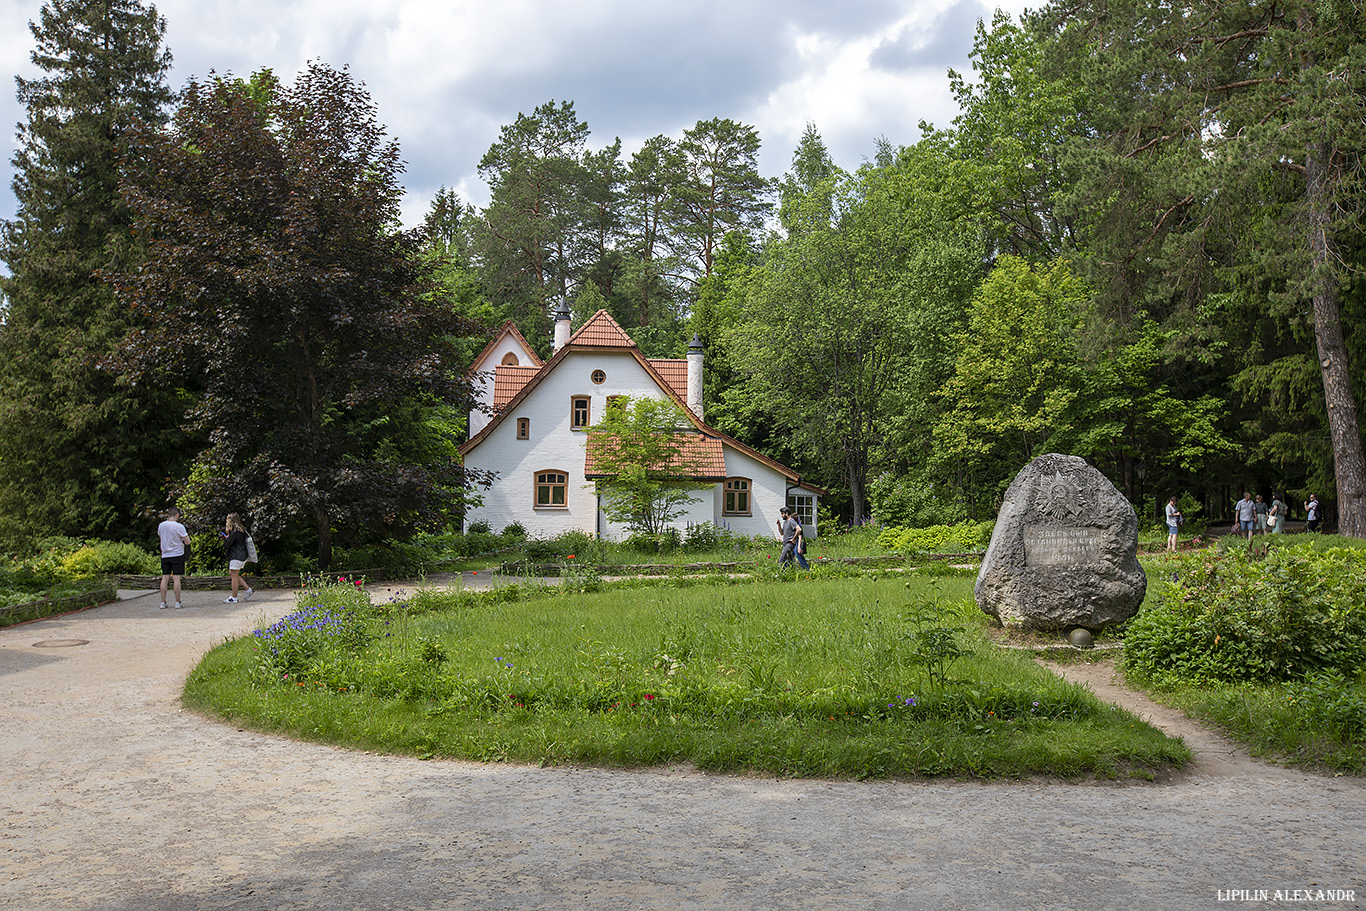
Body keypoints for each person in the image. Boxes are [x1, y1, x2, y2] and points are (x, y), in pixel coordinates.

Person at [157, 507, 190, 610]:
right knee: (176, 579)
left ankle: (163, 602)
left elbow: (160, 538)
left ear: (168, 515)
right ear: (177, 515)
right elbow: (187, 541)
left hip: (165, 554)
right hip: (177, 554)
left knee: (165, 578)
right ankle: (177, 602)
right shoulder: (179, 527)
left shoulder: (161, 526)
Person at [221, 513, 254, 603]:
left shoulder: (234, 532)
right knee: (233, 574)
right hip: (242, 555)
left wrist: (226, 539)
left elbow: (227, 545)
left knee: (234, 577)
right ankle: (248, 589)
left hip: (236, 556)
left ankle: (234, 597)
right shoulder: (242, 531)